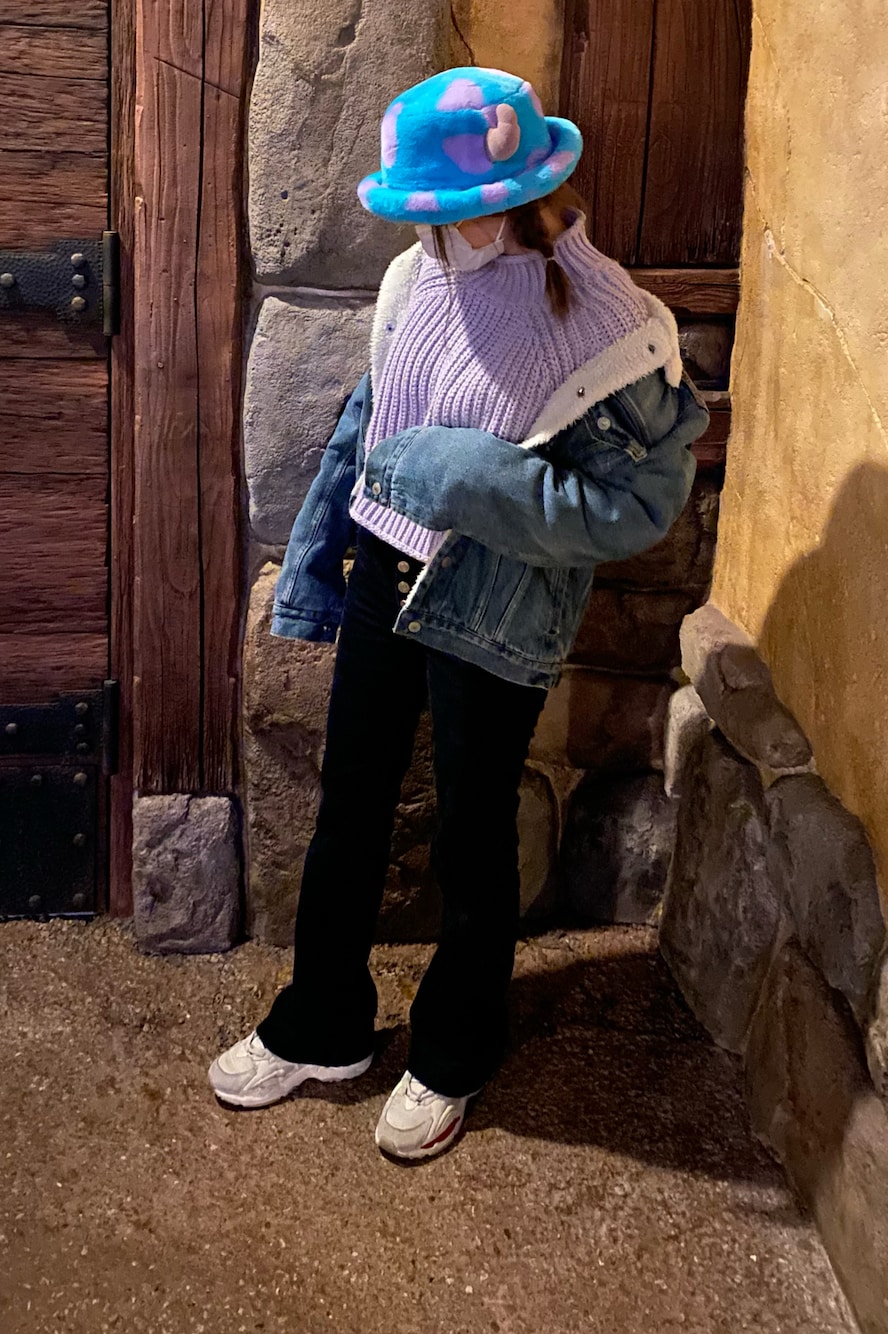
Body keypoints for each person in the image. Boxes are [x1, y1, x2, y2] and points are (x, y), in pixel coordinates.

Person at [209, 67, 709, 1160]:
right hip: (386, 569)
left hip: (497, 598)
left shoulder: (611, 325)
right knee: (351, 798)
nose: (425, 232)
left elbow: (636, 505)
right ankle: (323, 1021)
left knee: (475, 828)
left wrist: (465, 477)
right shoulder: (414, 275)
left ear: (514, 192)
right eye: (417, 212)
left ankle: (452, 1048)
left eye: (441, 209)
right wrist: (324, 556)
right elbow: (377, 418)